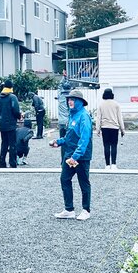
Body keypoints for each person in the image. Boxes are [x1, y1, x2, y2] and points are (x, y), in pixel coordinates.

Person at [51, 89, 92, 220]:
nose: (69, 101)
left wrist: (76, 156)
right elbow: (69, 137)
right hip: (69, 155)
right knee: (64, 179)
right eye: (69, 99)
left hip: (81, 156)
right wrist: (59, 142)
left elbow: (84, 139)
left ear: (79, 101)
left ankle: (86, 210)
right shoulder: (72, 115)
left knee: (83, 182)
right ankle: (69, 209)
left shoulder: (84, 116)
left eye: (72, 99)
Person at [96, 88, 125, 170]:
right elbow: (120, 118)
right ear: (112, 95)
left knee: (106, 146)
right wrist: (122, 129)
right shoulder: (116, 104)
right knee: (114, 146)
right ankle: (114, 164)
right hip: (114, 128)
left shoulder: (101, 105)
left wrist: (97, 129)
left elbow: (98, 118)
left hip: (104, 127)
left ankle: (107, 165)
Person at [0, 79, 22, 168]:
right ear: (11, 87)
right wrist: (19, 116)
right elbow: (15, 110)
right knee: (12, 144)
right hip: (11, 124)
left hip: (2, 124)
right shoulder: (12, 97)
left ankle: (2, 163)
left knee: (4, 144)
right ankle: (12, 163)